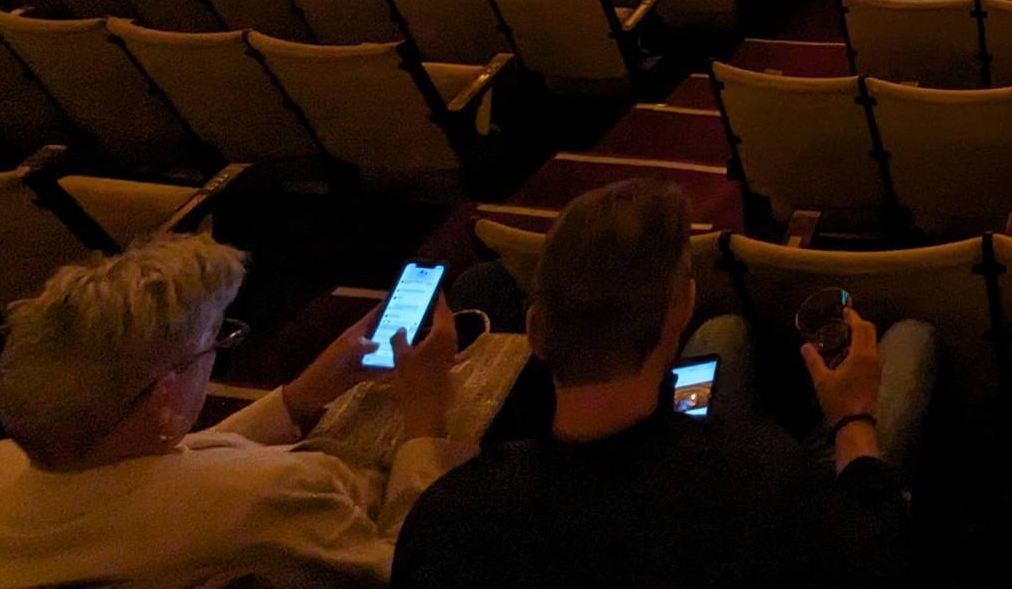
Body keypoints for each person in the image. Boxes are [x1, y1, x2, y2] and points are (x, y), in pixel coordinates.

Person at [393, 180, 925, 589]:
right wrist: (854, 419)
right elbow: (876, 550)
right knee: (910, 343)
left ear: (536, 331)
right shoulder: (764, 478)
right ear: (681, 309)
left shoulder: (448, 515)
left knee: (726, 338)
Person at [0, 232, 464, 587]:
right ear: (165, 396)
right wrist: (423, 423)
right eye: (215, 340)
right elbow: (417, 569)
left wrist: (302, 394)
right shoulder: (274, 496)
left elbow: (167, 468)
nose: (216, 353)